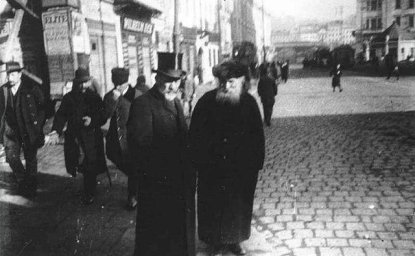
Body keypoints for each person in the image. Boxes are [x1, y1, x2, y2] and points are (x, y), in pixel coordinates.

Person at [189, 60, 265, 256]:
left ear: (241, 81)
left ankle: (235, 241)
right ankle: (213, 241)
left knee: (237, 208)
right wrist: (199, 161)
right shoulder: (206, 102)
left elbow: (257, 136)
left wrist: (255, 163)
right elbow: (195, 134)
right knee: (212, 206)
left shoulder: (248, 103)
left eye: (231, 82)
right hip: (212, 169)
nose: (226, 86)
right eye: (222, 82)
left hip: (240, 170)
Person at [127, 52, 195, 256]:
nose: (173, 86)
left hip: (177, 183)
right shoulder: (143, 104)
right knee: (156, 237)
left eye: (176, 81)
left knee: (176, 234)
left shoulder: (175, 101)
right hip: (157, 185)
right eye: (168, 81)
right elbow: (140, 148)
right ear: (157, 79)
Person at [46, 68, 108, 205]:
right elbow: (61, 115)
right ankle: (88, 188)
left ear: (90, 81)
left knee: (90, 163)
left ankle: (89, 192)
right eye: (80, 82)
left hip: (91, 136)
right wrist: (56, 131)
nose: (82, 85)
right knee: (78, 162)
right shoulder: (69, 98)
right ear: (76, 82)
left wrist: (92, 120)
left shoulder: (95, 98)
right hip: (75, 137)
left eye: (85, 82)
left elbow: (103, 116)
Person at [0, 61, 45, 198]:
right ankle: (23, 180)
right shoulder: (3, 90)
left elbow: (43, 107)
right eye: (8, 75)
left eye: (13, 74)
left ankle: (30, 186)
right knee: (11, 157)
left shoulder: (31, 88)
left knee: (30, 158)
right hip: (11, 130)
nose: (10, 78)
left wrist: (37, 126)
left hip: (28, 129)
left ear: (19, 74)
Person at [103, 68, 139, 210]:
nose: (117, 86)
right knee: (114, 157)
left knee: (133, 167)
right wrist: (113, 100)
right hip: (114, 140)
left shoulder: (137, 95)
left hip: (132, 138)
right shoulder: (109, 96)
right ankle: (138, 181)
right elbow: (105, 115)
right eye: (116, 82)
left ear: (126, 81)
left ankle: (133, 196)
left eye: (120, 83)